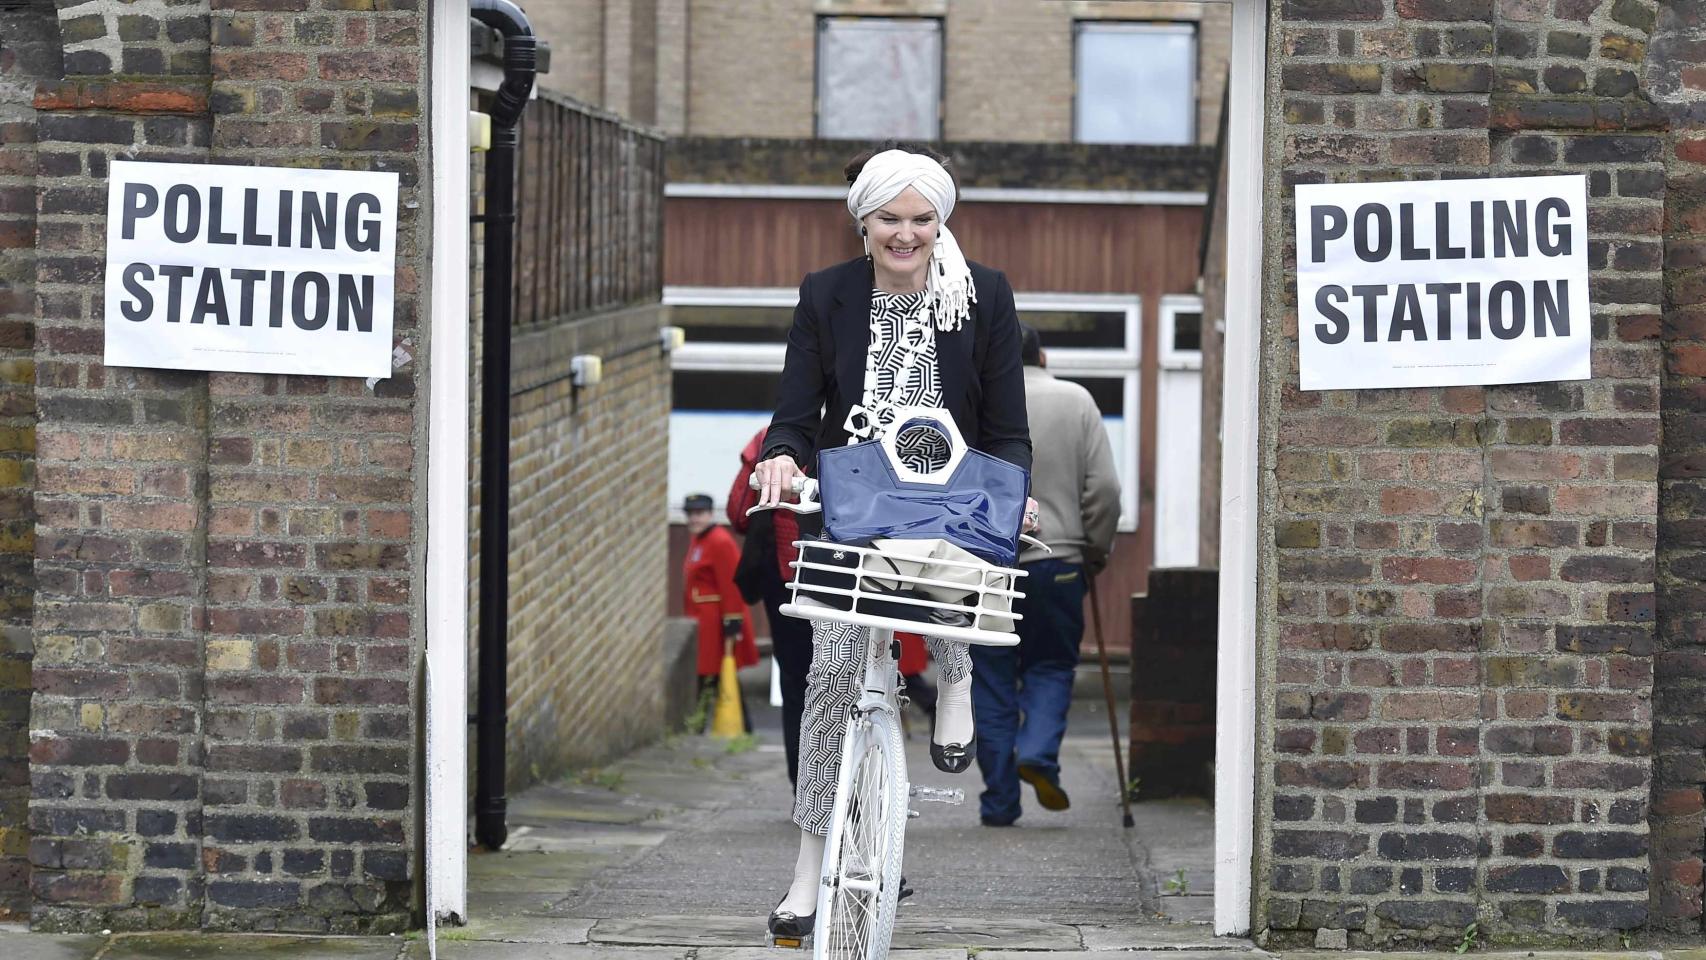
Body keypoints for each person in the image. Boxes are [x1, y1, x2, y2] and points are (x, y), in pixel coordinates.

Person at [751, 142, 1037, 937]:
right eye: (890, 219)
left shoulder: (985, 298)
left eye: (922, 219)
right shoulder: (826, 295)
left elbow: (1009, 431)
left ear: (941, 220)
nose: (906, 235)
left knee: (959, 588)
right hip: (853, 503)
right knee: (830, 679)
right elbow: (796, 411)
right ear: (863, 222)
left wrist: (1013, 497)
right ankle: (808, 871)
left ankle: (955, 675)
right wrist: (780, 457)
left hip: (953, 497)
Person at [970, 323, 1120, 826]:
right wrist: (1092, 550)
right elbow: (1104, 490)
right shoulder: (1076, 400)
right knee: (1051, 666)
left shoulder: (975, 403)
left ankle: (999, 802)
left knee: (990, 678)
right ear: (1044, 355)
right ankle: (1036, 750)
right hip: (1058, 560)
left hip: (987, 565)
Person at [727, 429, 812, 784]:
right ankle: (843, 788)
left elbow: (739, 514)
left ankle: (805, 788)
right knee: (846, 684)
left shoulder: (768, 440)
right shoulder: (856, 432)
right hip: (841, 577)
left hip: (786, 585)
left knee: (796, 685)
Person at [681, 493, 757, 731]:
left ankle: (713, 726)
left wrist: (733, 621)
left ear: (711, 514)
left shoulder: (719, 541)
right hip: (702, 621)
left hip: (716, 623)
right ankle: (728, 727)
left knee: (715, 674)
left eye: (700, 513)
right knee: (710, 674)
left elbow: (730, 582)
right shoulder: (699, 540)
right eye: (691, 514)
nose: (695, 519)